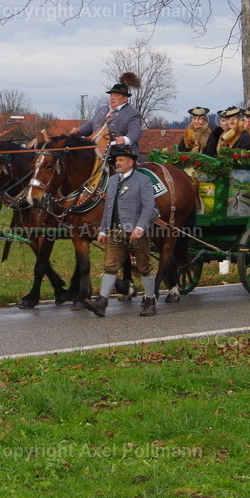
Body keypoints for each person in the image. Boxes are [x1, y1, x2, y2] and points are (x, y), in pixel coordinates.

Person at [87, 145, 159, 317]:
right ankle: (102, 302)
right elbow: (108, 208)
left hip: (135, 232)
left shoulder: (143, 180)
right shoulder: (112, 181)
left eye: (121, 160)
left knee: (144, 266)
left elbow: (149, 206)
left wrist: (140, 227)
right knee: (110, 266)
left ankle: (150, 300)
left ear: (131, 162)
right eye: (116, 160)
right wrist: (103, 231)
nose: (117, 163)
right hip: (115, 232)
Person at [73, 72, 143, 154]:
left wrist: (125, 139)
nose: (112, 98)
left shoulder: (132, 113)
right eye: (111, 95)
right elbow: (91, 124)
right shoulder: (102, 109)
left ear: (125, 99)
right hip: (96, 150)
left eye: (116, 95)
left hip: (119, 152)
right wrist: (79, 130)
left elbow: (135, 132)